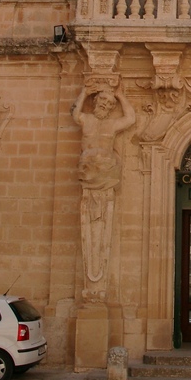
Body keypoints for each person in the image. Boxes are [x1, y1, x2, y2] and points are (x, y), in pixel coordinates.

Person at [72, 84, 135, 298]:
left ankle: (96, 285)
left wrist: (120, 96)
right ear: (96, 102)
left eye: (109, 103)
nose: (105, 105)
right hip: (88, 170)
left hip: (105, 172)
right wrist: (84, 92)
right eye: (103, 101)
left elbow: (130, 119)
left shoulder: (111, 124)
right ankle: (94, 287)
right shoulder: (87, 120)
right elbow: (75, 114)